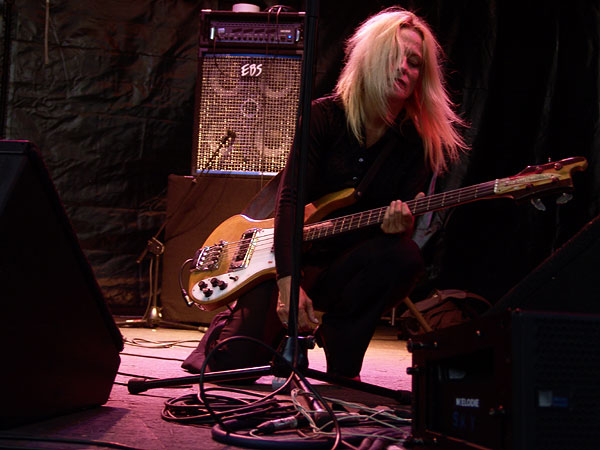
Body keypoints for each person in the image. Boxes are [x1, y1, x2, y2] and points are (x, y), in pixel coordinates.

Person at [182, 6, 467, 380]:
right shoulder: (323, 116)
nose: (403, 68)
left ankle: (342, 340)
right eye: (393, 56)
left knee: (403, 257)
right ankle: (246, 321)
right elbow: (289, 200)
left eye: (414, 63)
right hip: (286, 260)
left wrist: (402, 226)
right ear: (369, 60)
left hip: (344, 267)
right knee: (230, 368)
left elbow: (394, 230)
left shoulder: (417, 141)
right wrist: (288, 283)